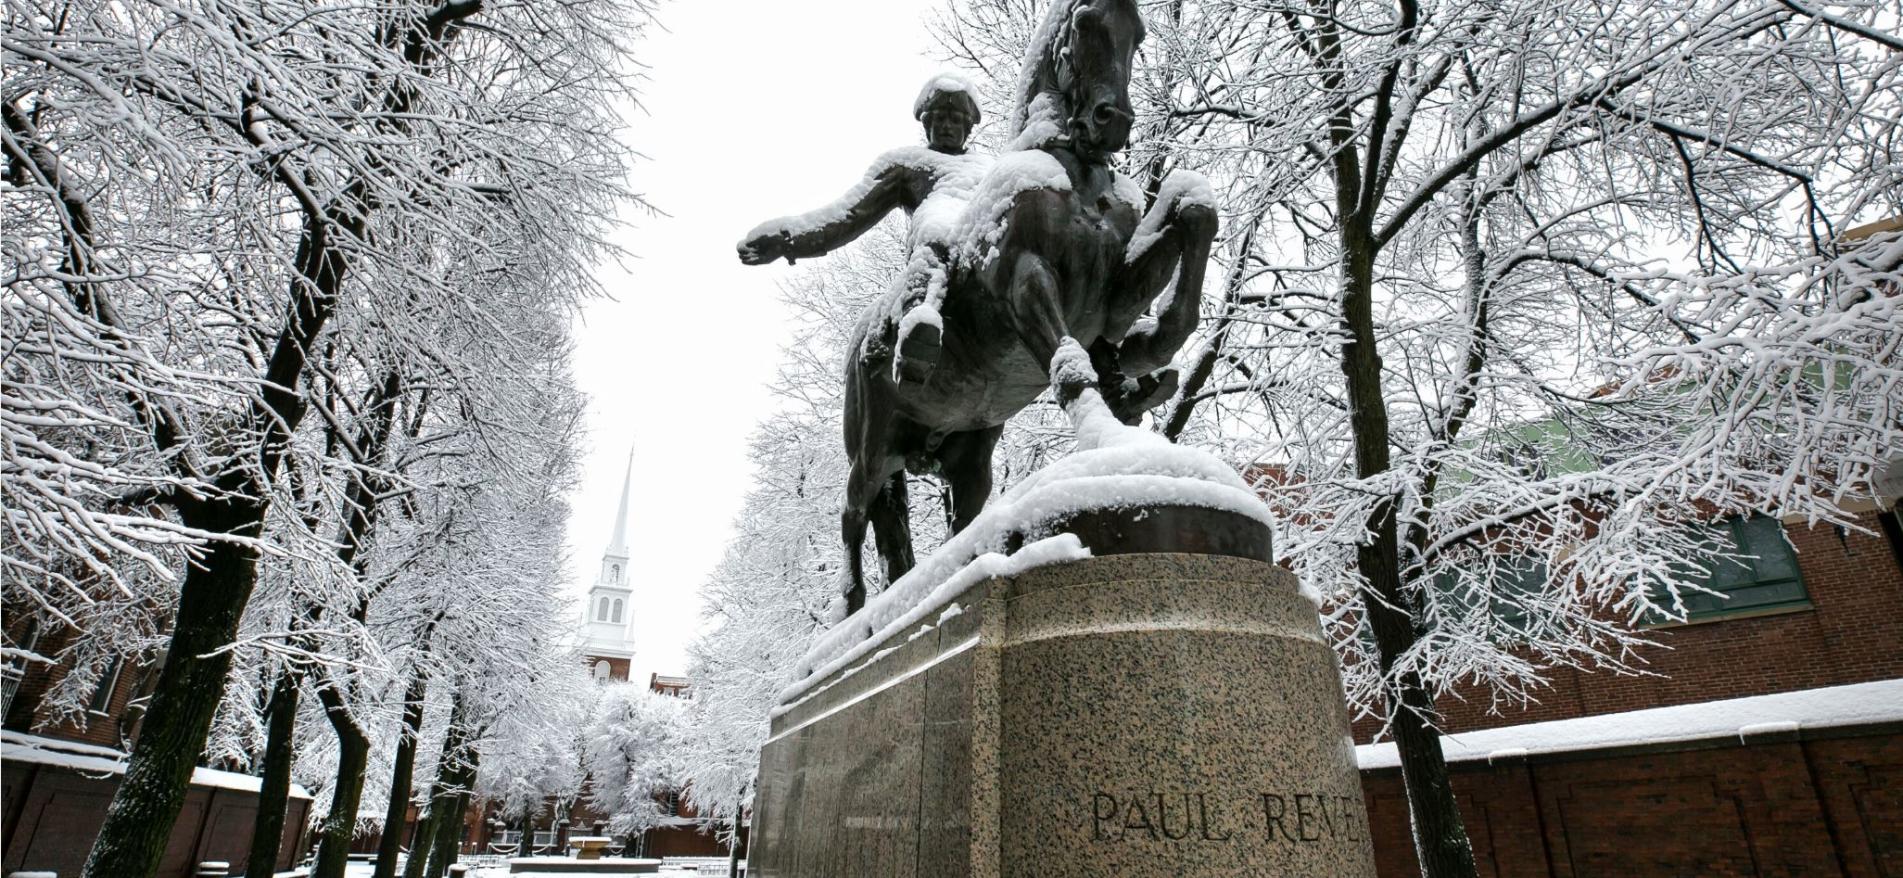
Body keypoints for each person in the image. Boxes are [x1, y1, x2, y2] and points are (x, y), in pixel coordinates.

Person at [738, 74, 989, 383]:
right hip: (936, 247)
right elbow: (848, 215)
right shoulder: (906, 164)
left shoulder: (990, 169)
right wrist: (786, 239)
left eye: (955, 119)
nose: (947, 126)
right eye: (939, 118)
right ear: (926, 125)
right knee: (936, 226)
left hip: (983, 247)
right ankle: (918, 323)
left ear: (968, 127)